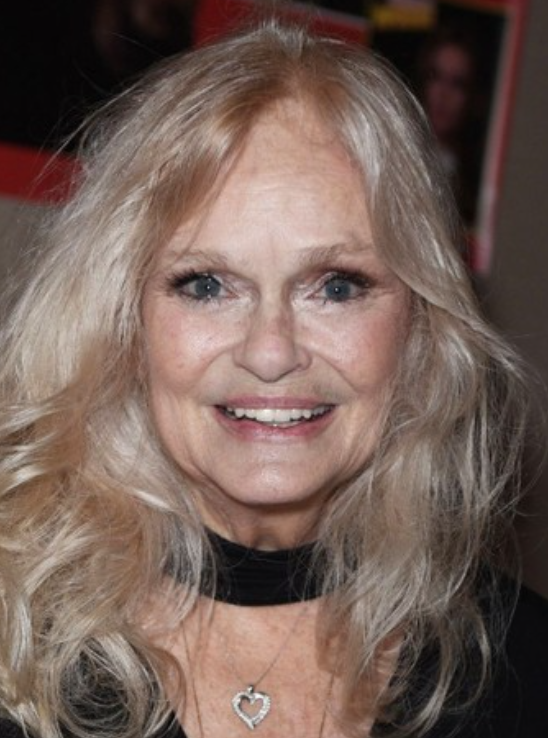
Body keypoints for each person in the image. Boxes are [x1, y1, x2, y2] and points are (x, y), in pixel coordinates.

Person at [0, 17, 546, 738]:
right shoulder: (15, 634)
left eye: (337, 287)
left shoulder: (525, 668)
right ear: (123, 323)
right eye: (205, 285)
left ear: (419, 329)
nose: (269, 352)